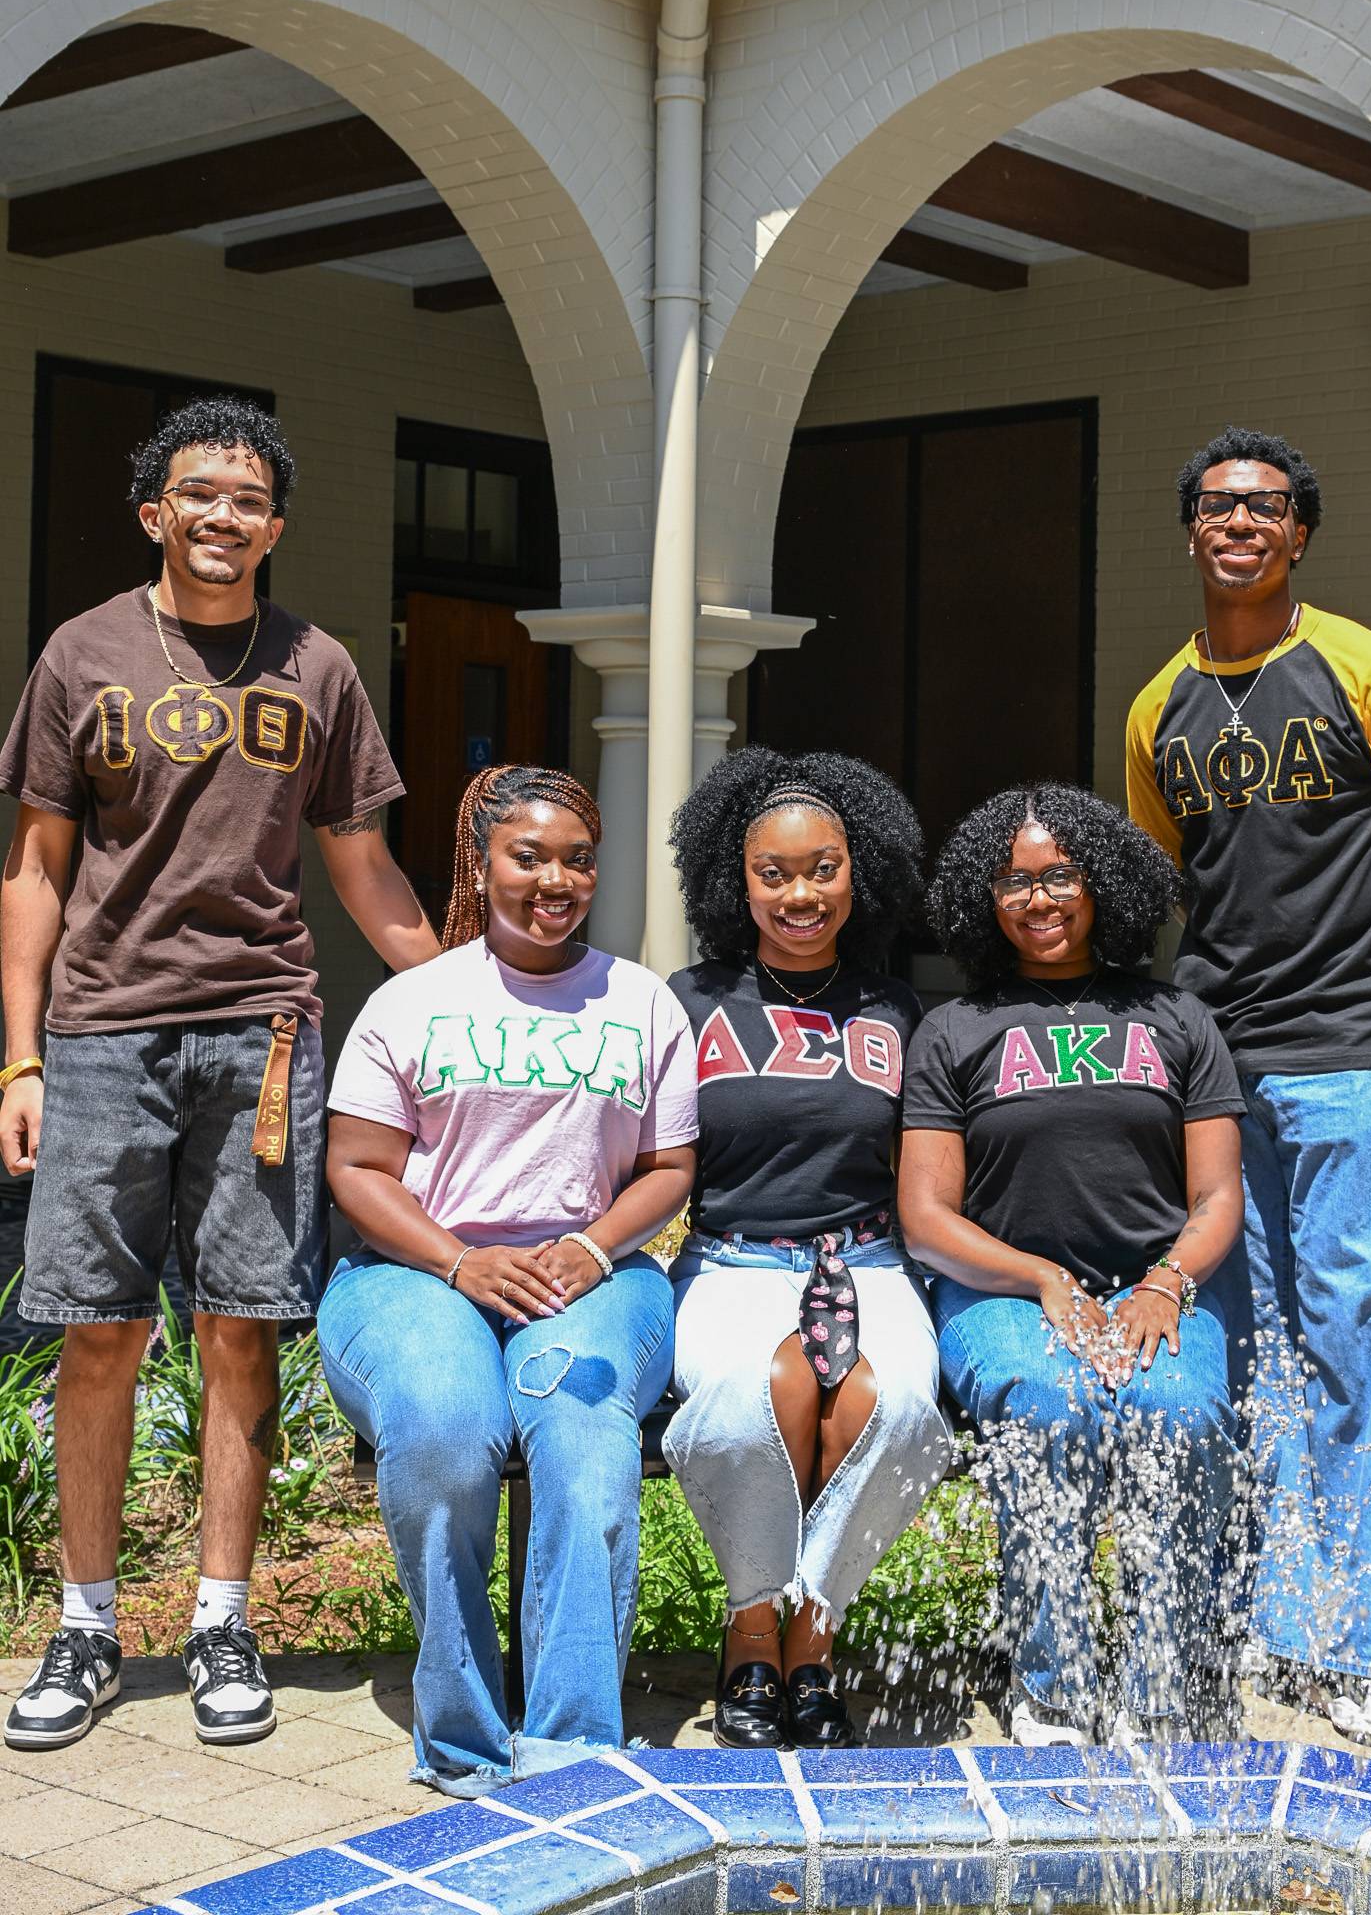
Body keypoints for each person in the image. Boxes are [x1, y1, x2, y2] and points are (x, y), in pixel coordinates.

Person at [0, 399, 436, 1754]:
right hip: (102, 1033)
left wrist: (457, 1005)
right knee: (97, 1329)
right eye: (200, 494)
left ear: (274, 526)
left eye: (248, 500)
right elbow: (37, 868)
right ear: (156, 514)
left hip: (263, 1035)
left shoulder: (315, 666)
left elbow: (361, 866)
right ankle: (84, 1624)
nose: (222, 517)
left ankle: (221, 1618)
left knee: (242, 1327)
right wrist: (18, 1054)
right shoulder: (84, 654)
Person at [1125, 425, 1371, 1748]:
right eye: (1215, 504)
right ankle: (1290, 1625)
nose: (1238, 524)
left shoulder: (1370, 672)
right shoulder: (1155, 706)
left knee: (1358, 1344)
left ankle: (1350, 1652)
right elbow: (1167, 892)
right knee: (1253, 1357)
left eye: (1264, 507)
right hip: (1220, 1069)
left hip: (1349, 1062)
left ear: (1297, 533)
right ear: (1189, 529)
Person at [317, 763, 697, 1792]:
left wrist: (589, 1247)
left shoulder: (641, 999)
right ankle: (464, 1739)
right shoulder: (415, 999)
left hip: (594, 1270)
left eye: (577, 858)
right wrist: (456, 1257)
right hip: (413, 1270)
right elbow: (354, 1166)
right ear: (479, 862)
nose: (555, 878)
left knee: (576, 1428)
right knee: (442, 1424)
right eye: (527, 855)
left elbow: (668, 1167)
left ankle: (575, 1747)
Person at [898, 783, 1246, 1743]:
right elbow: (925, 1219)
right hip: (1002, 1290)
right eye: (1015, 882)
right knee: (1048, 1402)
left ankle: (1164, 1684)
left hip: (1154, 1284)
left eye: (1061, 877)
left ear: (1105, 888)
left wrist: (1166, 1282)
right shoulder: (955, 1029)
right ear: (985, 895)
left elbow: (1218, 1197)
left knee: (1180, 1412)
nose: (1039, 900)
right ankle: (1052, 1683)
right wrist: (1042, 1278)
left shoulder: (1177, 1019)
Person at [662, 747, 948, 1750]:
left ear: (855, 869)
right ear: (731, 881)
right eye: (771, 872)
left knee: (901, 1408)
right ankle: (751, 1630)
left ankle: (812, 1632)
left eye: (821, 867)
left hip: (867, 1261)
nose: (798, 893)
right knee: (751, 1395)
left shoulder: (896, 1012)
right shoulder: (687, 1001)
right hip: (733, 1261)